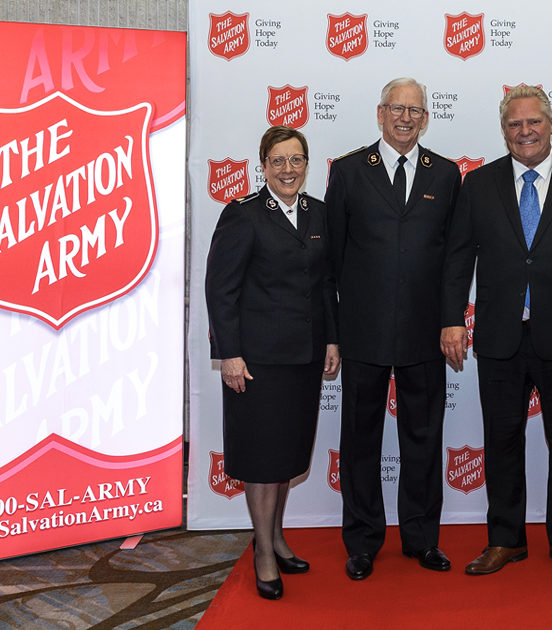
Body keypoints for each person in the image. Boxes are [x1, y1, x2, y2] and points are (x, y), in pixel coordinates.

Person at [441, 85, 552, 580]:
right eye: (514, 124)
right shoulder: (478, 184)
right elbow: (458, 258)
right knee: (500, 441)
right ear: (504, 131)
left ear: (550, 123)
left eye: (533, 122)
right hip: (501, 335)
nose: (524, 132)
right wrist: (451, 318)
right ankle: (505, 540)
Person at [324, 77, 461, 580]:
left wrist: (451, 320)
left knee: (423, 440)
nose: (405, 118)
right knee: (360, 441)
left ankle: (422, 539)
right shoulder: (349, 170)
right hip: (363, 334)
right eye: (396, 109)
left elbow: (453, 259)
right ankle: (362, 542)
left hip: (426, 335)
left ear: (425, 118)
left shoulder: (445, 174)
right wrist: (334, 331)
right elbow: (332, 261)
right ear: (380, 113)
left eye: (414, 111)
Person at [205, 125, 340, 600]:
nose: (288, 169)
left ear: (307, 164)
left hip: (303, 359)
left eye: (296, 160)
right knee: (262, 461)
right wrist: (229, 355)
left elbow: (326, 285)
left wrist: (332, 341)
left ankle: (277, 538)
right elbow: (220, 289)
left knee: (286, 457)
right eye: (278, 161)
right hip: (257, 362)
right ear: (262, 165)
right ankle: (263, 551)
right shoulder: (242, 215)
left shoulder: (318, 212)